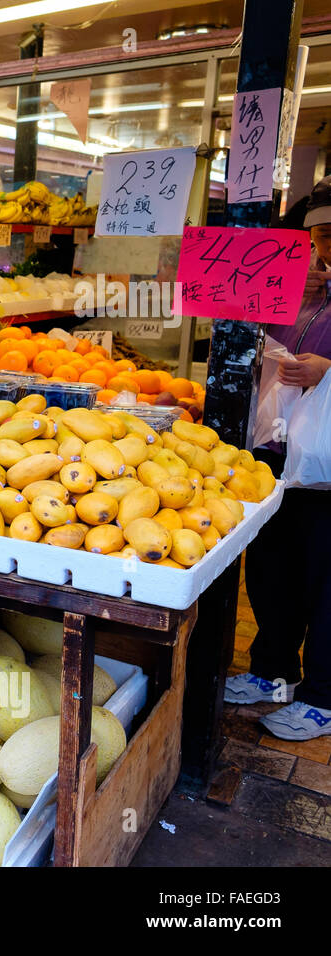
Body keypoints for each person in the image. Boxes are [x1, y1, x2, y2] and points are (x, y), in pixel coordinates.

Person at [227, 176, 331, 741]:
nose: (324, 251)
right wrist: (297, 297)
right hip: (278, 457)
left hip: (330, 471)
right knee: (272, 571)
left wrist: (328, 373)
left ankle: (323, 695)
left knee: (327, 582)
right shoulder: (304, 287)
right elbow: (251, 339)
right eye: (317, 239)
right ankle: (272, 671)